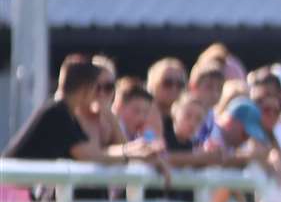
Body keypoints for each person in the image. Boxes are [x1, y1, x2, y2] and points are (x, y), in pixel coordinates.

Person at [4, 60, 169, 178]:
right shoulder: (57, 113)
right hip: (11, 191)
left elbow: (95, 153)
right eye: (97, 88)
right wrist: (132, 153)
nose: (100, 94)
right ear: (86, 88)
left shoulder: (65, 112)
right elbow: (89, 156)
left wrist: (135, 151)